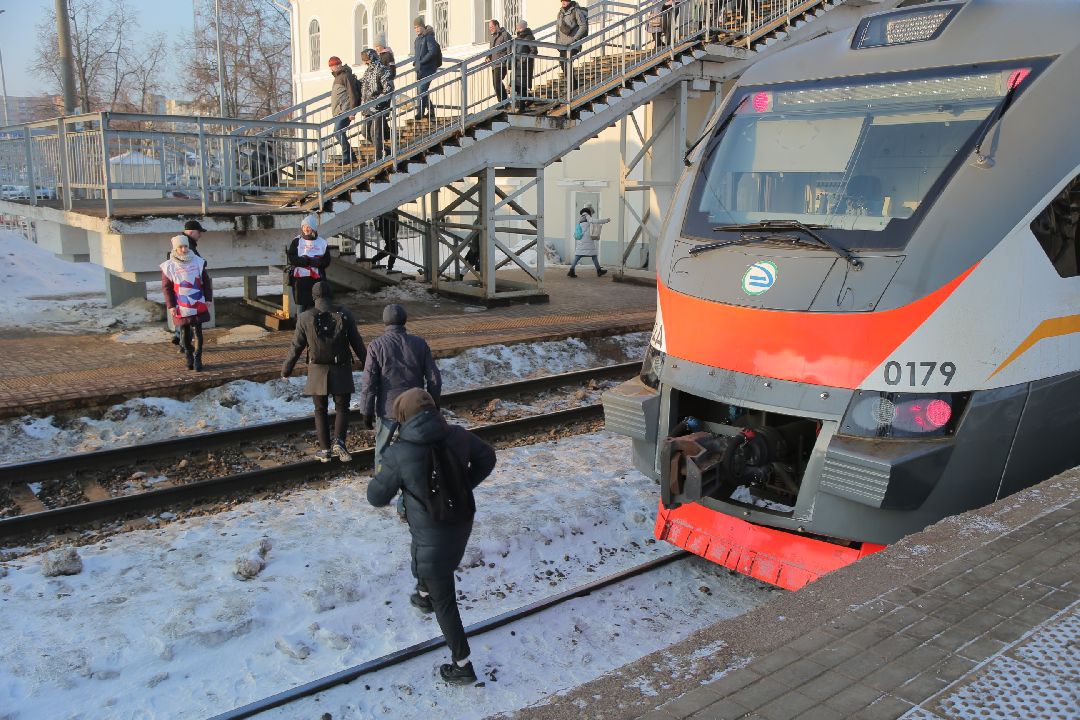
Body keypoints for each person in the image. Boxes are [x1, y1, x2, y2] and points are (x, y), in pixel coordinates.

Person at [366, 388, 496, 685]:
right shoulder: (458, 436)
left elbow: (376, 497)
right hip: (460, 521)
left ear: (403, 417)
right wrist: (461, 487)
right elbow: (487, 457)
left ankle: (462, 664)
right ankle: (424, 596)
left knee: (445, 600)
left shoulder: (400, 452)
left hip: (432, 531)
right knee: (423, 554)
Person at [281, 281, 367, 463]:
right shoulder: (345, 314)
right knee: (342, 408)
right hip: (341, 368)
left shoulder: (305, 318)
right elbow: (356, 342)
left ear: (314, 297)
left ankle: (325, 449)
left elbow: (296, 346)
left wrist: (286, 370)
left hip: (317, 370)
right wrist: (368, 364)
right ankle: (340, 442)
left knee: (320, 410)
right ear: (331, 295)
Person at [359, 303, 442, 477]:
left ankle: (382, 485)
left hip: (388, 408)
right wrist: (433, 404)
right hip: (415, 408)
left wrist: (366, 410)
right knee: (416, 446)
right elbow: (434, 378)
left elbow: (369, 381)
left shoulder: (376, 345)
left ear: (384, 322)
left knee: (382, 449)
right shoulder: (419, 344)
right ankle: (417, 480)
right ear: (404, 320)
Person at [161, 234, 213, 371]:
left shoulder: (197, 261)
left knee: (198, 332)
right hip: (181, 305)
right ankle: (188, 356)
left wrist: (208, 298)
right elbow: (166, 288)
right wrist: (171, 306)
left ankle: (197, 359)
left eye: (185, 246)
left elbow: (206, 281)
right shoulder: (169, 266)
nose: (183, 250)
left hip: (197, 303)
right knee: (184, 336)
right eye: (180, 247)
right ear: (175, 248)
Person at [169, 220, 206, 350]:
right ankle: (184, 344)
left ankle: (180, 337)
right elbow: (198, 263)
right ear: (191, 232)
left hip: (180, 287)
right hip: (188, 286)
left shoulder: (179, 243)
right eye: (199, 232)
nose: (200, 235)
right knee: (189, 317)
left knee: (183, 315)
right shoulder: (187, 245)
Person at [286, 214, 332, 314]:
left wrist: (317, 263)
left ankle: (316, 323)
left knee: (316, 302)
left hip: (316, 279)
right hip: (300, 279)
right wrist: (305, 262)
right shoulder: (297, 241)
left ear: (313, 228)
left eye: (308, 227)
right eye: (304, 226)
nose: (306, 229)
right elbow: (292, 257)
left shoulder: (322, 242)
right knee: (300, 304)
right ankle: (300, 324)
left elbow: (327, 260)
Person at [359, 48, 394, 161]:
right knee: (365, 132)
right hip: (367, 107)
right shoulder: (368, 71)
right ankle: (386, 149)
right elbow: (363, 86)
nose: (365, 62)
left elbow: (388, 88)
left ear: (371, 58)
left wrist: (379, 101)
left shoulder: (382, 70)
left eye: (366, 60)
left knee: (376, 133)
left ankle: (378, 156)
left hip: (378, 107)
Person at [328, 56, 361, 164]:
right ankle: (351, 156)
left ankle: (347, 156)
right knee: (338, 132)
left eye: (334, 65)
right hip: (339, 111)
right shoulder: (338, 77)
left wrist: (352, 111)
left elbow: (352, 94)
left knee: (338, 132)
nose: (333, 68)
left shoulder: (345, 75)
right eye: (331, 66)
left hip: (345, 111)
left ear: (339, 64)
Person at [567, 204, 609, 278]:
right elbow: (594, 221)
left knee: (578, 256)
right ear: (588, 211)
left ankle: (571, 270)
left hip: (582, 240)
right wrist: (605, 220)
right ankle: (599, 271)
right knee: (593, 255)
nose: (591, 214)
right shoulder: (587, 216)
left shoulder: (581, 218)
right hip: (587, 240)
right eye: (591, 212)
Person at [413, 17, 441, 121]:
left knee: (422, 90)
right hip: (420, 69)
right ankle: (431, 110)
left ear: (422, 26)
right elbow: (417, 54)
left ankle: (420, 112)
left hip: (428, 68)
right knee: (422, 90)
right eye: (415, 28)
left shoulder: (428, 37)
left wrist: (422, 61)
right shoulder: (417, 39)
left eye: (418, 27)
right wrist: (416, 62)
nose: (416, 29)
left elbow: (432, 51)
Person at [556, 0, 588, 80]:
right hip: (562, 45)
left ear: (569, 2)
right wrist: (557, 43)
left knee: (567, 64)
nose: (563, 2)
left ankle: (571, 86)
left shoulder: (575, 11)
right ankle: (572, 83)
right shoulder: (560, 13)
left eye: (565, 1)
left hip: (572, 44)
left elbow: (583, 26)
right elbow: (558, 30)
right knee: (563, 64)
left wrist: (575, 38)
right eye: (562, 1)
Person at [512, 20, 537, 109]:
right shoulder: (518, 38)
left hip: (525, 66)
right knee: (517, 87)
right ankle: (530, 99)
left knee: (522, 87)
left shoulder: (529, 37)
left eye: (517, 27)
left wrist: (524, 58)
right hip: (518, 66)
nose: (516, 29)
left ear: (521, 27)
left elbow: (534, 51)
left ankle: (522, 108)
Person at [487, 19, 512, 103]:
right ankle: (501, 102)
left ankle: (504, 101)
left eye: (492, 27)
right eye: (489, 27)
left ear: (497, 25)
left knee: (497, 82)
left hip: (502, 63)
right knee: (495, 84)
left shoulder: (505, 35)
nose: (490, 29)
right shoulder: (492, 38)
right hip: (494, 64)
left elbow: (509, 48)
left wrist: (509, 62)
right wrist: (488, 57)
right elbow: (490, 50)